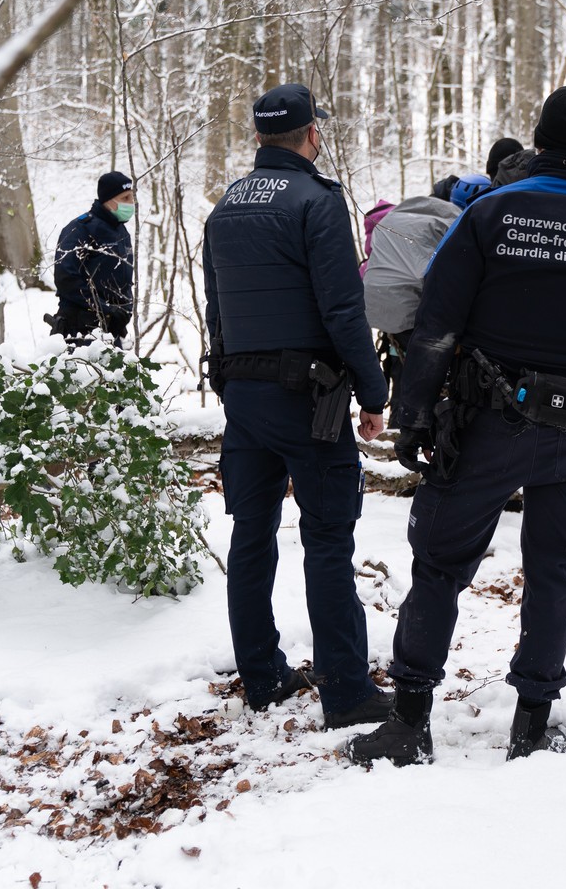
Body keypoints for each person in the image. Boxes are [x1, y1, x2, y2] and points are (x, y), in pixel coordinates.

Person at [346, 85, 566, 766]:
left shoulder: (489, 214)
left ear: (539, 140)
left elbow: (436, 326)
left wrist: (413, 418)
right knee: (555, 574)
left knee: (439, 565)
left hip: (481, 427)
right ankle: (531, 728)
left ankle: (409, 723)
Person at [202, 83, 394, 731]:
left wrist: (230, 388)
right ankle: (347, 691)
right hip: (308, 401)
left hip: (244, 396)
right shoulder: (317, 202)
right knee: (328, 538)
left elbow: (217, 313)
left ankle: (262, 677)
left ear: (260, 136)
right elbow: (343, 309)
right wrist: (373, 392)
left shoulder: (225, 208)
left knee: (251, 535)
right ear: (312, 133)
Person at [48, 172, 136, 345]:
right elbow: (66, 278)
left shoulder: (122, 232)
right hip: (80, 329)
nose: (131, 203)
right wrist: (104, 308)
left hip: (112, 330)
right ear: (108, 200)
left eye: (132, 197)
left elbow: (124, 279)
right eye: (125, 198)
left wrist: (124, 310)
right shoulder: (80, 229)